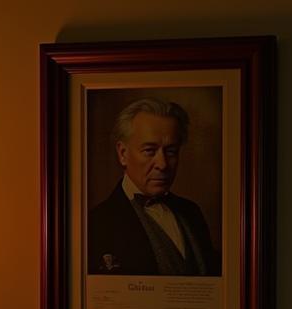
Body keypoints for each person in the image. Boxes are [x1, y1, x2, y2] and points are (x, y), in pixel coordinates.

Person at [87, 98, 220, 276]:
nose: (163, 164)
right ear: (123, 154)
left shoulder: (192, 212)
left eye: (171, 151)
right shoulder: (97, 223)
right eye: (149, 150)